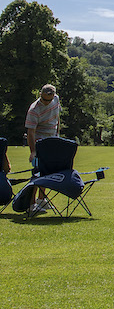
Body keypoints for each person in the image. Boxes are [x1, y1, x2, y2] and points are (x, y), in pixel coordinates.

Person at [25, 84, 60, 213]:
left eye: (49, 100)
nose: (47, 103)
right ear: (40, 95)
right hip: (39, 142)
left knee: (48, 171)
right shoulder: (34, 110)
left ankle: (41, 200)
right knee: (37, 173)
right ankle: (31, 204)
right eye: (44, 100)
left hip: (52, 141)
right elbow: (31, 132)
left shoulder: (56, 99)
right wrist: (33, 151)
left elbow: (57, 117)